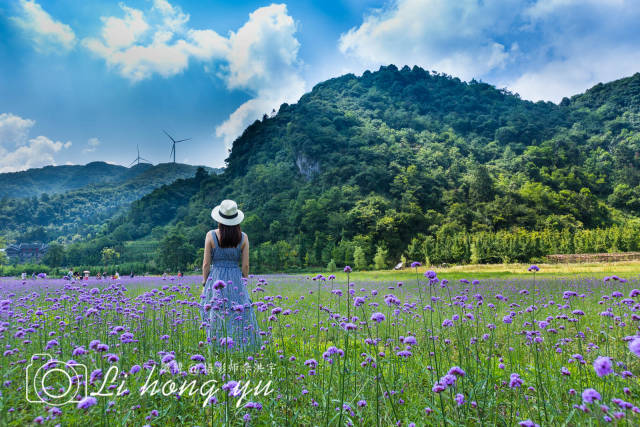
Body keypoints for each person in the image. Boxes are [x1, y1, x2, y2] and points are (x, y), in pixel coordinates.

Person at [201, 199, 260, 351]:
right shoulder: (244, 237)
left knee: (216, 313)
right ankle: (241, 346)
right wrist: (243, 282)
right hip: (236, 279)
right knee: (238, 312)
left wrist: (205, 282)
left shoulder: (210, 235)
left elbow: (206, 264)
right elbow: (245, 265)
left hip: (216, 278)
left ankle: (216, 346)